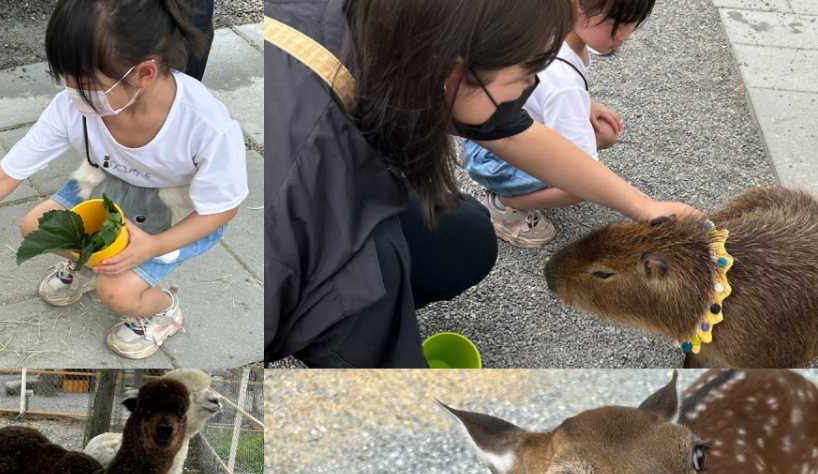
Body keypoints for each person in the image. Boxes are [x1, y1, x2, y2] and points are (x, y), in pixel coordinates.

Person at [265, 0, 703, 368]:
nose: (532, 89)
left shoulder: (409, 36)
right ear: (457, 70)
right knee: (376, 268)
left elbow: (514, 132)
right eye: (526, 75)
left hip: (339, 188)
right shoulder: (300, 169)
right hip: (297, 238)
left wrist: (643, 206)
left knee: (466, 236)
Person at [0, 0, 248, 360]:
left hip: (172, 210)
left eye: (85, 82)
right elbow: (9, 172)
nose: (71, 89)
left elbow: (222, 209)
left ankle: (163, 309)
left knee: (117, 295)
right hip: (108, 184)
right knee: (36, 227)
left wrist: (153, 247)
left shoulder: (207, 127)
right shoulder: (74, 105)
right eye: (65, 76)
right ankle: (89, 264)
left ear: (144, 73)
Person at [464, 0, 656, 247]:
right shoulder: (564, 84)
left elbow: (539, 91)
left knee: (605, 132)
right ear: (576, 5)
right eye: (616, 22)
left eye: (634, 23)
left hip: (485, 140)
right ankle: (504, 205)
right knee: (580, 188)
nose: (626, 35)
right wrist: (641, 203)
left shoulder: (553, 30)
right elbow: (585, 170)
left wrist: (585, 105)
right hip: (494, 159)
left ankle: (524, 190)